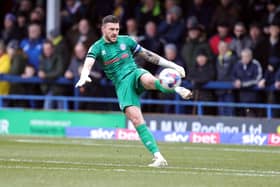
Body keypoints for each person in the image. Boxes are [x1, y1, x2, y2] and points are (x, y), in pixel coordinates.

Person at [75, 15, 192, 167]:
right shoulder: (97, 47)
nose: (115, 32)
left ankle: (176, 88)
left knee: (149, 80)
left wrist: (172, 65)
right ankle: (158, 157)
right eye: (111, 29)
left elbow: (149, 55)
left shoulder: (127, 41)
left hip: (134, 72)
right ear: (103, 29)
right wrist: (84, 76)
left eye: (117, 29)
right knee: (137, 120)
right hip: (122, 85)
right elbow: (88, 63)